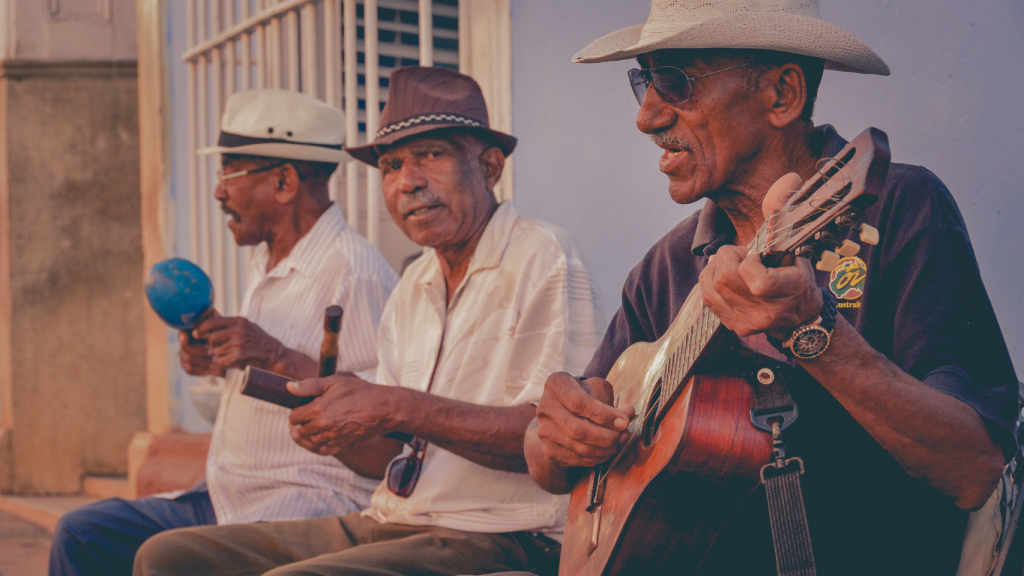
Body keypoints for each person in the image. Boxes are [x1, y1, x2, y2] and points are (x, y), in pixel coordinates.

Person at [523, 1, 1020, 574]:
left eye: (675, 81)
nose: (646, 116)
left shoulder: (902, 208)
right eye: (644, 82)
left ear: (782, 94)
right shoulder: (664, 268)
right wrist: (553, 435)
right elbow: (553, 463)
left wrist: (815, 333)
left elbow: (974, 468)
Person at [131, 66, 604, 576]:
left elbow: (553, 437)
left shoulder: (542, 255)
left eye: (432, 155)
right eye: (391, 165)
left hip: (497, 531)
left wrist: (397, 405)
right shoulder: (414, 284)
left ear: (489, 167)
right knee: (167, 557)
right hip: (392, 517)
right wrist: (339, 434)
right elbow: (388, 456)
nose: (408, 182)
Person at [49, 89, 398, 576]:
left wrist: (273, 355)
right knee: (83, 533)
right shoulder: (267, 259)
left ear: (284, 182)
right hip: (227, 493)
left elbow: (385, 428)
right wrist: (220, 362)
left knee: (169, 558)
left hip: (306, 499)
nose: (218, 192)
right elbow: (269, 365)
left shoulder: (355, 272)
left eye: (228, 174)